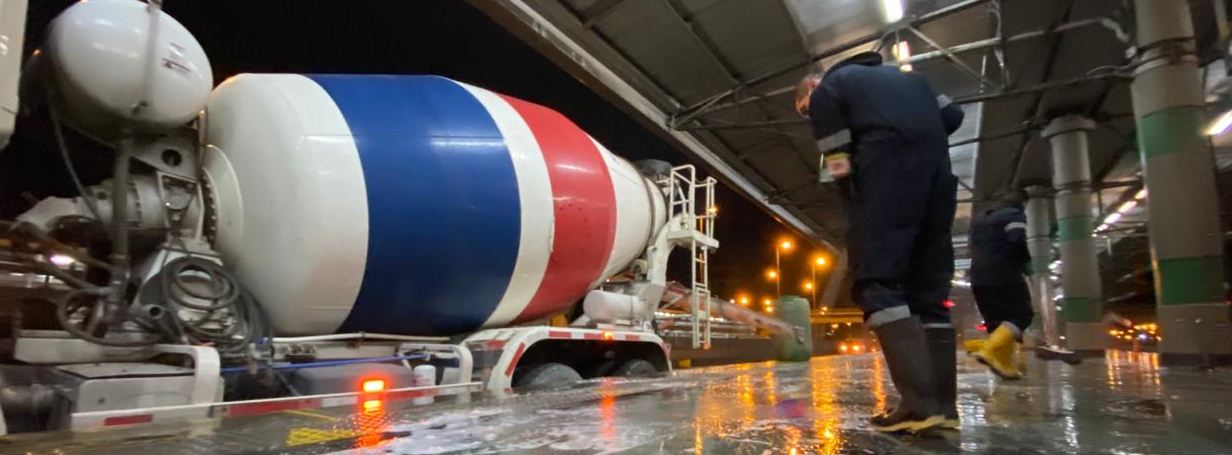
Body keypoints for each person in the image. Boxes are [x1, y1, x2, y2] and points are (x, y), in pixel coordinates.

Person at [795, 51, 963, 433]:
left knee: (877, 282)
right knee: (929, 294)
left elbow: (838, 161)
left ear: (811, 88)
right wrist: (921, 142)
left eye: (805, 111)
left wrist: (857, 210)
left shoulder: (827, 90)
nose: (810, 117)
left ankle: (920, 406)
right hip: (939, 176)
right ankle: (944, 409)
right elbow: (954, 117)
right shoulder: (911, 79)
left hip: (888, 173)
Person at [968, 190, 1035, 379]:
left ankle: (1005, 365)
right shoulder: (1014, 215)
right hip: (1003, 274)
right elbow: (1017, 241)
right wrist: (1025, 263)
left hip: (978, 277)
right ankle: (990, 351)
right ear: (1023, 202)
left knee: (997, 323)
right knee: (1022, 315)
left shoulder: (979, 220)